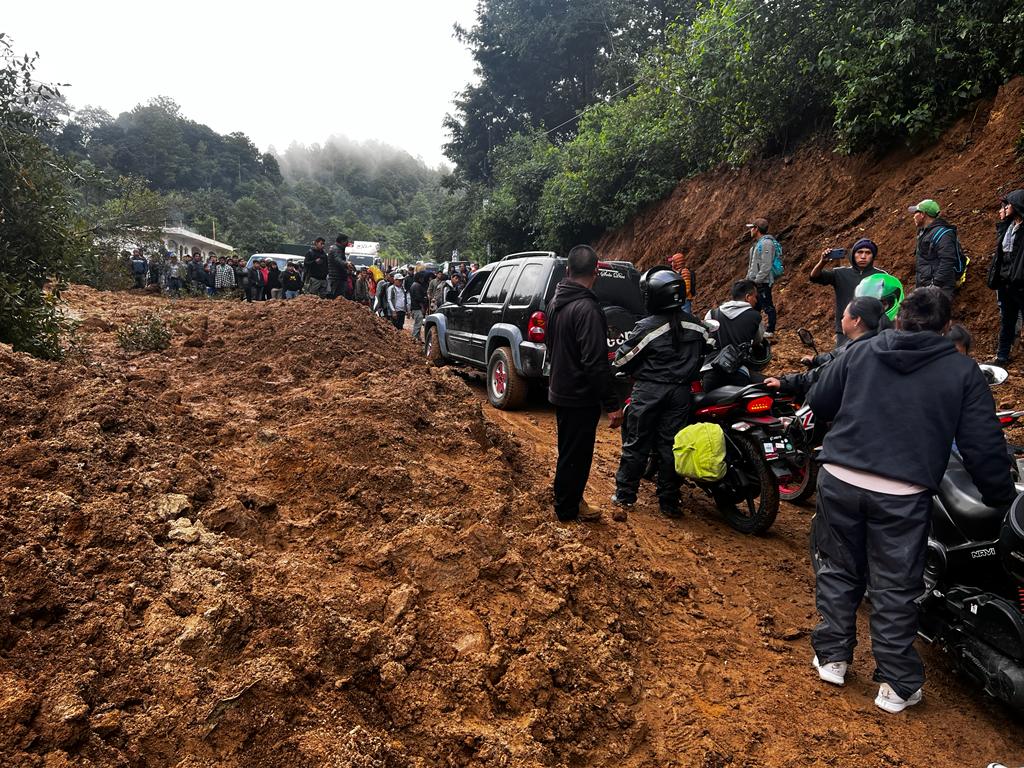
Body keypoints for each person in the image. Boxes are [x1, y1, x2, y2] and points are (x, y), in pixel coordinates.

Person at [807, 286, 1016, 714]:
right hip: (901, 494)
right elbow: (983, 446)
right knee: (895, 585)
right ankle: (896, 686)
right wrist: (1000, 500)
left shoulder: (862, 350)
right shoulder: (961, 372)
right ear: (944, 328)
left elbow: (820, 398)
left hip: (840, 477)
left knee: (839, 567)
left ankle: (832, 658)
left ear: (898, 319)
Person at [612, 267, 708, 518]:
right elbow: (708, 350)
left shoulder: (646, 328)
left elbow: (622, 360)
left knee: (637, 443)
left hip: (649, 391)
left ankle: (625, 495)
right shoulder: (697, 326)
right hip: (681, 394)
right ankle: (669, 502)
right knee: (670, 446)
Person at [547, 244, 624, 523]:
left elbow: (550, 344)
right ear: (596, 271)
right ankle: (566, 511)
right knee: (576, 455)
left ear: (568, 271)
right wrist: (612, 404)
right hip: (579, 396)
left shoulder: (556, 302)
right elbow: (594, 362)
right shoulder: (588, 309)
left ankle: (569, 499)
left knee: (569, 451)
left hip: (561, 388)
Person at [765, 297, 888, 401]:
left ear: (856, 320)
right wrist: (815, 359)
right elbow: (835, 356)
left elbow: (822, 374)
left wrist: (784, 383)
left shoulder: (855, 353)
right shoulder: (881, 343)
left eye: (844, 316)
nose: (842, 319)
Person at [810, 239, 886, 346]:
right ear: (853, 254)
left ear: (873, 256)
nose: (863, 256)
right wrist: (822, 262)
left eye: (868, 253)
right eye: (859, 252)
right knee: (844, 359)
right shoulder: (841, 273)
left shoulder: (881, 276)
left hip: (872, 329)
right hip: (846, 329)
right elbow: (814, 277)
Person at [702, 279, 767, 391]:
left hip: (710, 371)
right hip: (737, 372)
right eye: (755, 297)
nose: (756, 300)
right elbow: (758, 340)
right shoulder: (755, 317)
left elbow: (705, 338)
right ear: (748, 297)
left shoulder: (712, 313)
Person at [987, 189, 1024, 365]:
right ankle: (1002, 356)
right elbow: (1002, 255)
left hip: (1021, 285)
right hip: (1005, 283)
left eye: (1008, 204)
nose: (1005, 207)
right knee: (1007, 322)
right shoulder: (1007, 227)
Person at [909, 198, 959, 298]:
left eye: (915, 213)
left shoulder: (943, 234)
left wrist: (935, 284)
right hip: (927, 286)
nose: (913, 216)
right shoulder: (924, 232)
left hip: (939, 289)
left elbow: (947, 261)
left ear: (922, 215)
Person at [744, 217, 779, 336]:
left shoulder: (766, 243)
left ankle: (770, 330)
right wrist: (748, 278)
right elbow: (753, 265)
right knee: (756, 307)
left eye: (752, 228)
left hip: (763, 282)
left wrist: (757, 280)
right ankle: (756, 330)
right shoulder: (758, 244)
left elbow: (766, 265)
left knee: (767, 305)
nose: (750, 231)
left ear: (757, 229)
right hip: (756, 281)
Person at [328, 233, 349, 299]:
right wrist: (346, 264)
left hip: (340, 276)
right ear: (342, 241)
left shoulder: (340, 249)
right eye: (346, 241)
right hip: (336, 277)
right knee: (335, 296)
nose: (347, 243)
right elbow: (338, 259)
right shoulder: (335, 249)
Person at [409, 273, 427, 341]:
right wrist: (422, 307)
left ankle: (417, 337)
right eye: (422, 278)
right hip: (417, 308)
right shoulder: (417, 286)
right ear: (419, 278)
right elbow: (418, 298)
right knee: (418, 324)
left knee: (418, 323)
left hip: (415, 307)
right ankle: (414, 338)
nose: (423, 279)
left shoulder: (414, 285)